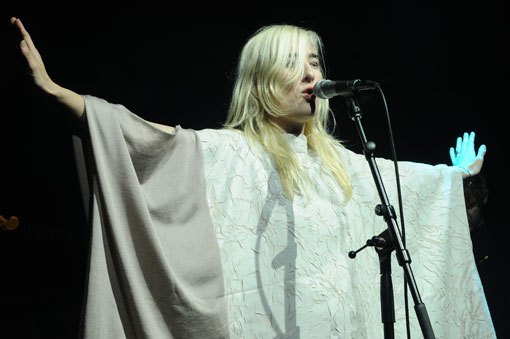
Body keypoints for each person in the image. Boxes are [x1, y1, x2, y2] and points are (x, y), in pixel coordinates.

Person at [11, 17, 495, 338]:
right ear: (263, 81)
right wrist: (56, 92)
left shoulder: (342, 164)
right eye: (293, 63)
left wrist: (455, 182)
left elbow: (412, 190)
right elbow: (143, 137)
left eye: (314, 61)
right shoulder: (230, 152)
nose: (311, 74)